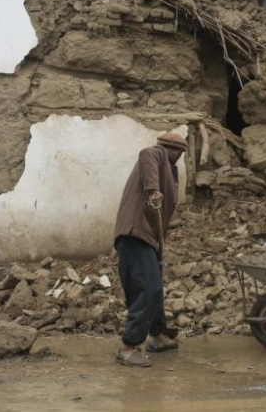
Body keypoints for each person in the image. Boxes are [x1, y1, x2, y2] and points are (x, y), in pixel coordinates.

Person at [113, 132, 186, 367]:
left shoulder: (168, 165)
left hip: (147, 237)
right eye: (181, 153)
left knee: (154, 286)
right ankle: (129, 347)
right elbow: (147, 156)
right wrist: (153, 190)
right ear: (177, 151)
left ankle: (158, 336)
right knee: (149, 289)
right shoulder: (156, 153)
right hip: (136, 233)